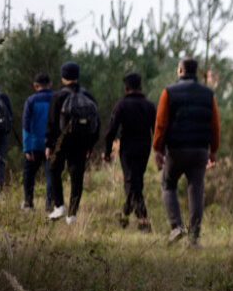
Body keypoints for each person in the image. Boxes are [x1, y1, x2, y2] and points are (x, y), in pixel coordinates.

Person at [153, 57, 220, 247]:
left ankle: (176, 226)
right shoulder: (208, 94)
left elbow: (161, 123)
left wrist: (157, 149)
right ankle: (194, 238)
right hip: (199, 150)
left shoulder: (168, 92)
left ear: (180, 71)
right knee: (196, 189)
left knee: (168, 184)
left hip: (176, 150)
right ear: (196, 72)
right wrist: (213, 150)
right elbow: (215, 125)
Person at [45, 62, 99, 224]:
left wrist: (49, 144)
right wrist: (91, 144)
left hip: (61, 141)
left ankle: (59, 205)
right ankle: (73, 215)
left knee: (54, 170)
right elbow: (96, 123)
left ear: (63, 77)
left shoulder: (58, 96)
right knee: (77, 176)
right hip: (81, 143)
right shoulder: (88, 96)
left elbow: (52, 122)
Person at [102, 72, 157, 231]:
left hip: (127, 149)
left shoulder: (122, 105)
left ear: (126, 88)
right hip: (144, 148)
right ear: (141, 86)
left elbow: (111, 130)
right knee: (136, 181)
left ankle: (143, 221)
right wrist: (159, 150)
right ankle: (125, 215)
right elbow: (157, 130)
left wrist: (107, 151)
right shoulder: (149, 105)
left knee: (131, 182)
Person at [21, 73, 56, 209]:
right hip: (52, 145)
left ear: (35, 85)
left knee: (29, 174)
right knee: (51, 175)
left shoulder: (31, 101)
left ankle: (28, 202)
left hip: (34, 144)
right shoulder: (56, 99)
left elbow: (26, 125)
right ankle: (50, 204)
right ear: (50, 84)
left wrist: (27, 147)